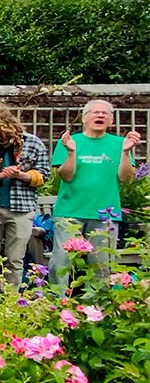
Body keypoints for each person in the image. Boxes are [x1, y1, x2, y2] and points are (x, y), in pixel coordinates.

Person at [49, 99, 141, 289]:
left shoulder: (120, 143)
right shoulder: (69, 142)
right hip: (69, 212)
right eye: (95, 112)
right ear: (84, 118)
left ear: (111, 121)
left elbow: (125, 178)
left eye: (104, 113)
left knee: (101, 265)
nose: (100, 115)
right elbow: (66, 176)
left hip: (105, 215)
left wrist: (125, 153)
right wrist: (71, 153)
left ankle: (96, 310)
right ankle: (55, 305)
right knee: (60, 262)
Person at [0, 103, 51, 288]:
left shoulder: (32, 143)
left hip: (21, 209)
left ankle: (11, 300)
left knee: (15, 259)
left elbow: (44, 175)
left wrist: (22, 175)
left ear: (1, 123)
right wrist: (0, 175)